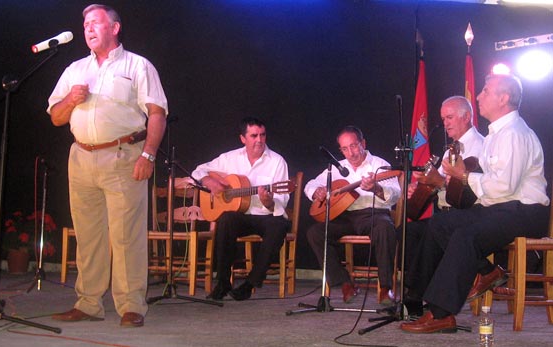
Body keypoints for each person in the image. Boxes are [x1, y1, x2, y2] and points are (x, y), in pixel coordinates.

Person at [47, 4, 168, 327]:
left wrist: (149, 154)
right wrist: (71, 100)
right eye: (85, 23)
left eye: (95, 23)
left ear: (114, 28)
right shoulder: (75, 69)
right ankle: (88, 303)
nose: (88, 28)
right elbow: (56, 117)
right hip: (82, 157)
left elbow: (157, 113)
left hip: (124, 156)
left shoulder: (137, 66)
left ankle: (131, 305)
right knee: (88, 235)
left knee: (126, 235)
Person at [401, 74, 550, 334]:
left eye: (485, 91)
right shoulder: (496, 134)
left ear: (503, 98)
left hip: (525, 210)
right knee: (439, 224)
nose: (478, 96)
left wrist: (464, 176)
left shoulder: (514, 133)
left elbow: (504, 187)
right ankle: (419, 300)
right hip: (501, 206)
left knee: (465, 235)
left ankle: (442, 314)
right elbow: (492, 190)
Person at [192, 117, 290, 301]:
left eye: (262, 135)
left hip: (266, 216)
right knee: (225, 219)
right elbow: (198, 171)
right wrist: (209, 181)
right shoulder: (229, 158)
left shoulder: (277, 161)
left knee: (279, 226)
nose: (259, 140)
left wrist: (268, 201)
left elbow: (282, 200)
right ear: (243, 138)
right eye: (254, 136)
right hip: (241, 215)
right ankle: (222, 282)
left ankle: (250, 283)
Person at [305, 126, 401, 304]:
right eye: (345, 148)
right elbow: (309, 184)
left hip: (373, 214)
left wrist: (377, 188)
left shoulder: (380, 165)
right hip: (345, 216)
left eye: (354, 146)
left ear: (363, 143)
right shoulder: (337, 168)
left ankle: (386, 288)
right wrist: (316, 191)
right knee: (315, 232)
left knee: (385, 228)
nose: (351, 152)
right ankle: (345, 284)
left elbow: (396, 193)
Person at [401, 96, 484, 279]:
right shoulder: (449, 150)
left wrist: (439, 182)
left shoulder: (481, 147)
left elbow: (470, 193)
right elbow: (436, 183)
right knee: (406, 232)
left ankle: (418, 295)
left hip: (467, 215)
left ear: (466, 116)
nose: (445, 124)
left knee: (433, 229)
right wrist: (422, 185)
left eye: (450, 117)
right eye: (443, 119)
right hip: (444, 214)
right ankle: (413, 292)